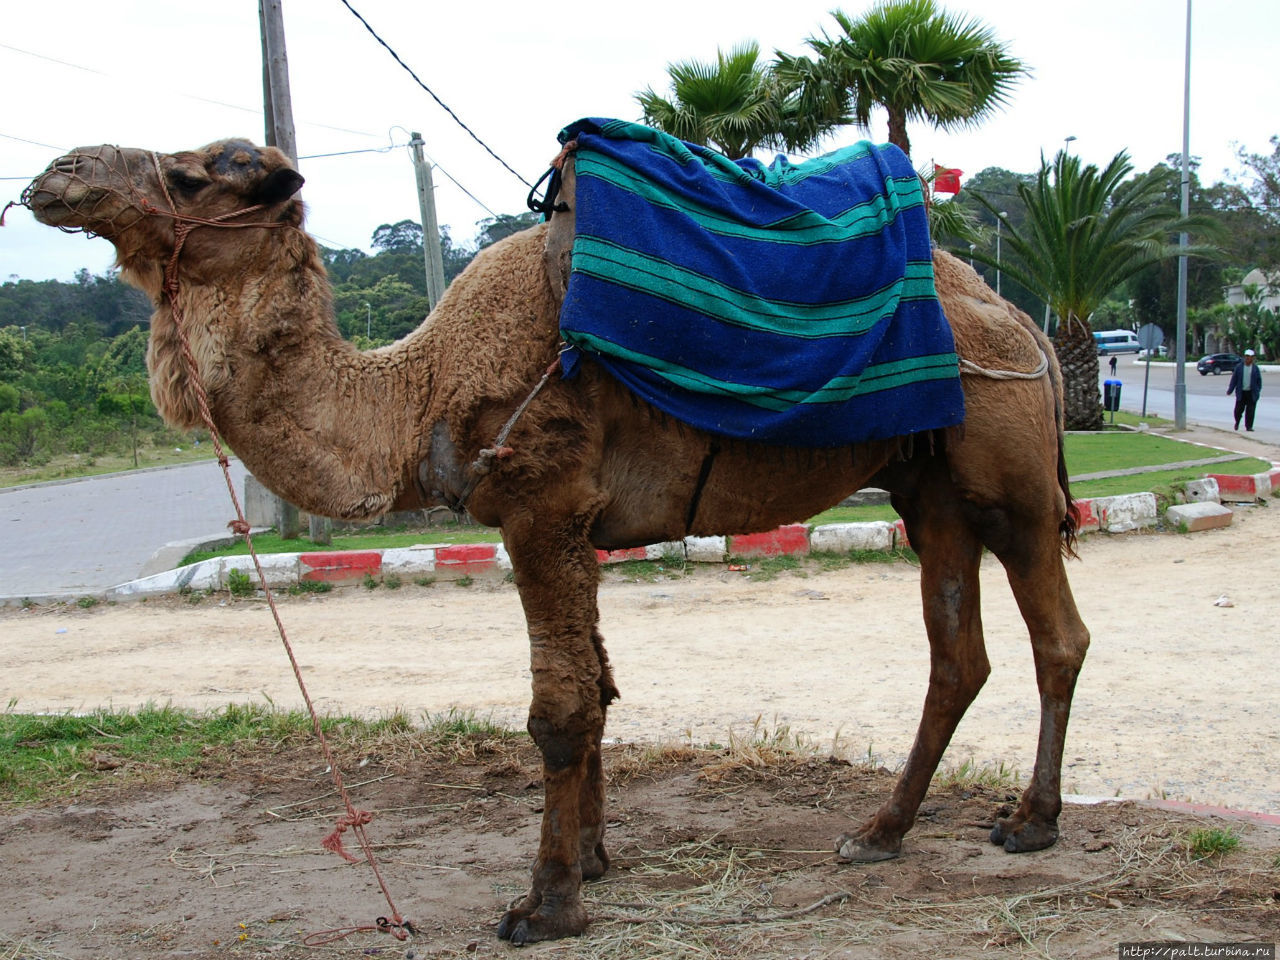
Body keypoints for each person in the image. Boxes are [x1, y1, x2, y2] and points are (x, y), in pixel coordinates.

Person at [1227, 349, 1263, 431]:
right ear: (1244, 357)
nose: (1248, 358)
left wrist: (1257, 391)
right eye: (1247, 356)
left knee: (1250, 411)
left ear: (1253, 358)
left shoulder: (1255, 368)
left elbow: (1259, 381)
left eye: (1250, 357)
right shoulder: (1239, 367)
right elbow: (1234, 380)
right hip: (1241, 392)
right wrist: (1230, 390)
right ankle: (1237, 422)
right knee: (1238, 410)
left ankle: (1249, 426)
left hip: (1251, 393)